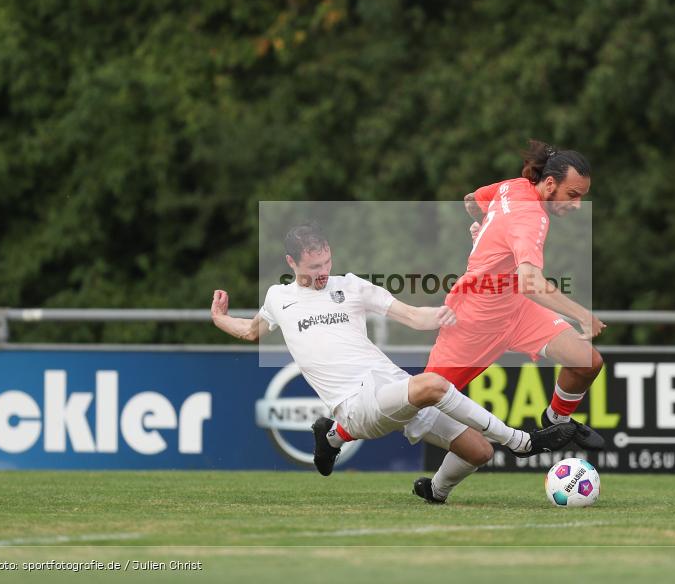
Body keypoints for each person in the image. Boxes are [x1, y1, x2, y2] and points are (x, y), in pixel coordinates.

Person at [210, 223, 579, 504]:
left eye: (326, 262)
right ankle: (522, 442)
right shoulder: (279, 297)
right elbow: (252, 331)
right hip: (356, 405)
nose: (322, 272)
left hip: (392, 386)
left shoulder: (352, 286)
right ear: (291, 263)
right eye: (312, 267)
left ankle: (434, 491)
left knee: (478, 451)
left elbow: (416, 317)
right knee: (432, 384)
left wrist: (449, 309)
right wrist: (219, 319)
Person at [425, 140, 607, 445]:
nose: (577, 205)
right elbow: (531, 282)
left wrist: (486, 228)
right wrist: (582, 315)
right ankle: (340, 432)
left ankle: (556, 421)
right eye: (572, 195)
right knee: (422, 399)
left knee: (587, 361)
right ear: (550, 184)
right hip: (475, 317)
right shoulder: (531, 217)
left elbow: (472, 199)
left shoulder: (516, 186)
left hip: (518, 309)